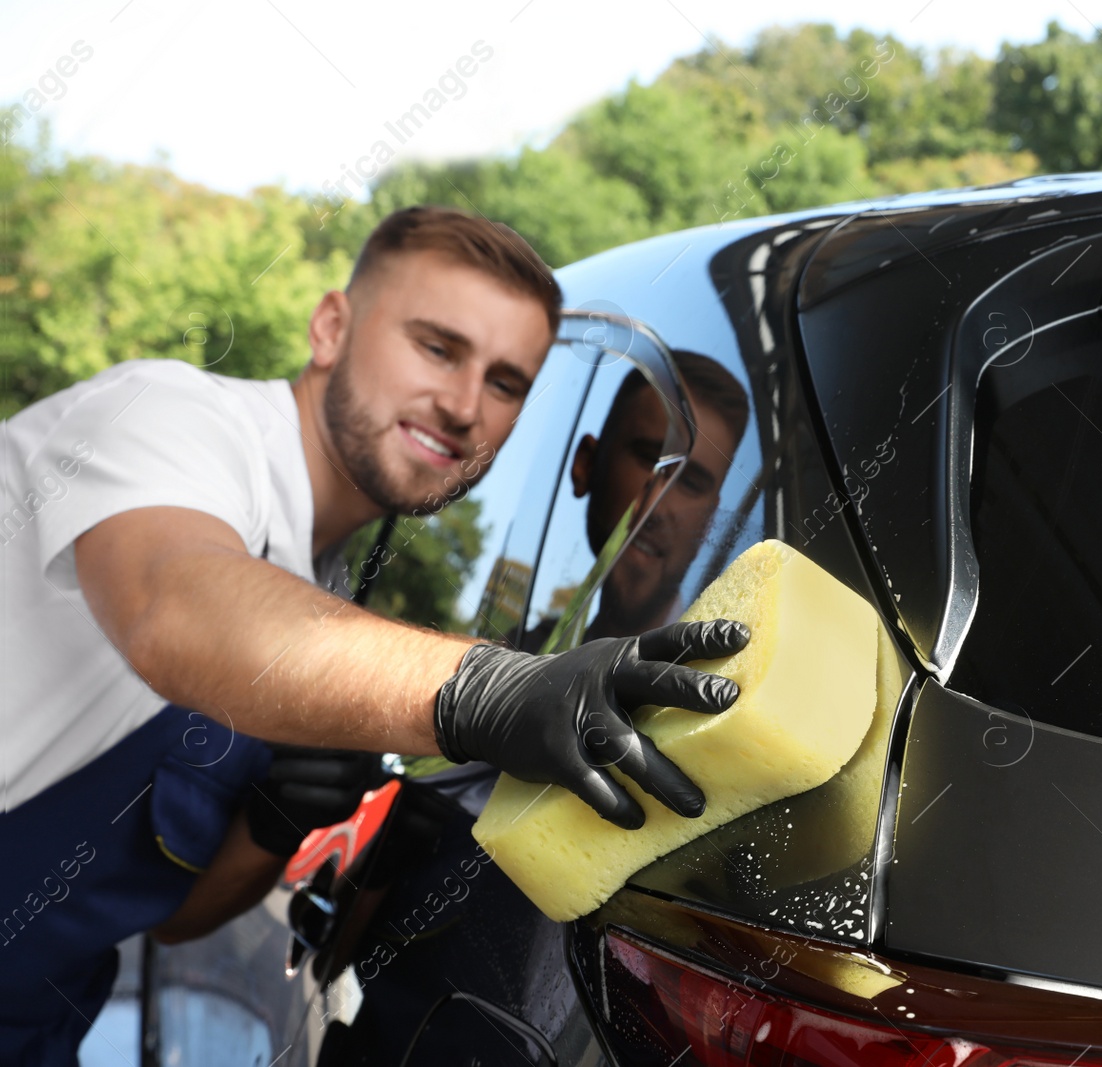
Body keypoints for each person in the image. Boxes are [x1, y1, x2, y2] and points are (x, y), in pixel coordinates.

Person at [0, 206, 749, 1062]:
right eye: (437, 347)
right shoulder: (172, 423)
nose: (465, 405)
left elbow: (173, 920)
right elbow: (172, 605)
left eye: (506, 383)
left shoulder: (322, 593)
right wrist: (489, 689)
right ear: (331, 327)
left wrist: (274, 822)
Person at [522, 352, 750, 650]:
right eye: (647, 458)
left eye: (690, 483)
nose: (656, 503)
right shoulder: (514, 657)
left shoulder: (728, 684)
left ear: (710, 522)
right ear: (586, 465)